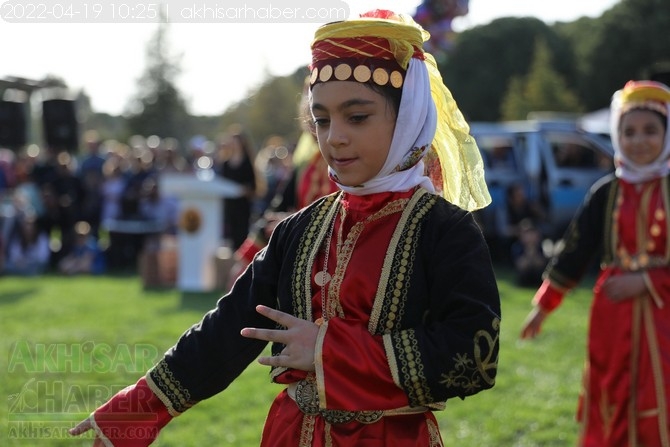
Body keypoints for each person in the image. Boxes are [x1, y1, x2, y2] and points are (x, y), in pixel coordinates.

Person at [70, 10, 500, 446]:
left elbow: (474, 355)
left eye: (357, 117)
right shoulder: (300, 229)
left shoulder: (445, 230)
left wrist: (329, 350)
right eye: (323, 119)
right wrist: (134, 410)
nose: (333, 138)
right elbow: (229, 328)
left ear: (408, 116)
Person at [520, 80, 670, 446]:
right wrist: (543, 305)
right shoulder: (607, 192)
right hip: (613, 318)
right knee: (613, 393)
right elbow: (576, 250)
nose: (639, 140)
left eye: (651, 131)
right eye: (628, 131)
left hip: (664, 316)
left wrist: (648, 281)